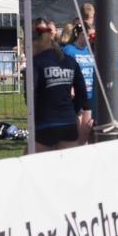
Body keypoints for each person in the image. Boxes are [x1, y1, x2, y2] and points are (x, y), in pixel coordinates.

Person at [31, 18, 90, 151]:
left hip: (45, 123)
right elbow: (82, 92)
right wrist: (73, 110)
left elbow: (30, 93)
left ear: (36, 44)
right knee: (66, 167)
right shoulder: (70, 61)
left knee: (37, 166)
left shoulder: (36, 62)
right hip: (68, 122)